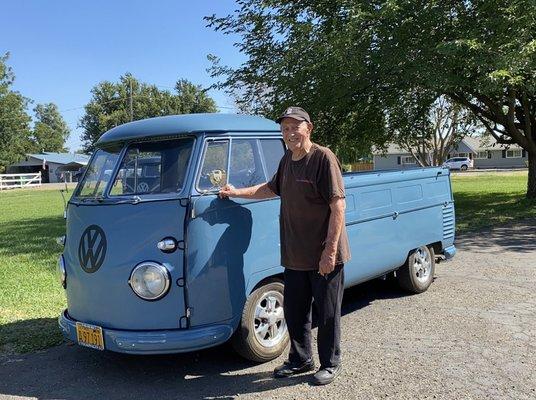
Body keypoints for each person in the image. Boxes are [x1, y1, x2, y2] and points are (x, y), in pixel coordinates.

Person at [219, 106, 350, 385]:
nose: (290, 133)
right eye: (285, 128)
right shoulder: (287, 160)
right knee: (295, 310)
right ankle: (301, 359)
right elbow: (269, 189)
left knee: (326, 313)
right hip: (295, 255)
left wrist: (329, 251)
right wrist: (235, 193)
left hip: (323, 254)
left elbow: (338, 206)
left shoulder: (323, 158)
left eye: (295, 127)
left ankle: (330, 363)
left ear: (308, 128)